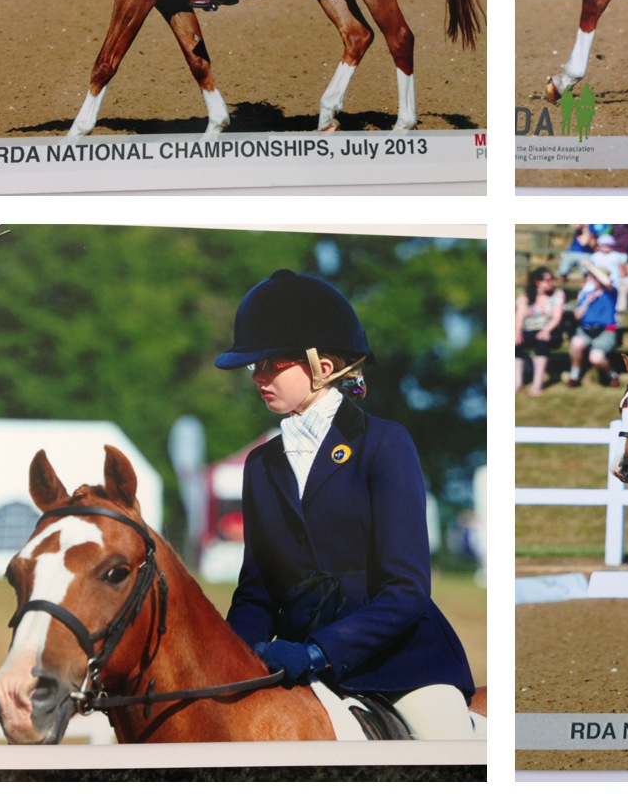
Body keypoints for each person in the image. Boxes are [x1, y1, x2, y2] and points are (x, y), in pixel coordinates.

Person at [215, 269, 478, 739]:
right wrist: (232, 656)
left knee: (447, 747)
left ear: (322, 366)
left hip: (398, 663)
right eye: (253, 366)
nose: (257, 377)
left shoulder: (384, 444)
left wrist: (320, 651)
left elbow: (406, 590)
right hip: (293, 666)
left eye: (270, 363)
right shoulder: (261, 465)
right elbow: (257, 591)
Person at [565, 256, 621, 388]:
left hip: (605, 331)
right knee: (576, 343)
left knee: (596, 358)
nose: (593, 280)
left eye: (595, 277)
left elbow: (606, 282)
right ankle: (574, 375)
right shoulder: (587, 293)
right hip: (586, 330)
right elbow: (577, 316)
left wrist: (590, 266)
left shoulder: (611, 292)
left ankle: (611, 375)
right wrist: (587, 302)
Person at [516, 268, 566, 396]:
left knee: (542, 340)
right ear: (538, 282)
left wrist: (546, 330)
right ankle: (518, 381)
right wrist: (517, 332)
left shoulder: (557, 295)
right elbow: (519, 316)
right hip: (530, 329)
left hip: (551, 330)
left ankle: (537, 385)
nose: (552, 283)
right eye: (548, 280)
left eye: (552, 279)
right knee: (515, 343)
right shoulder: (526, 296)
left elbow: (557, 317)